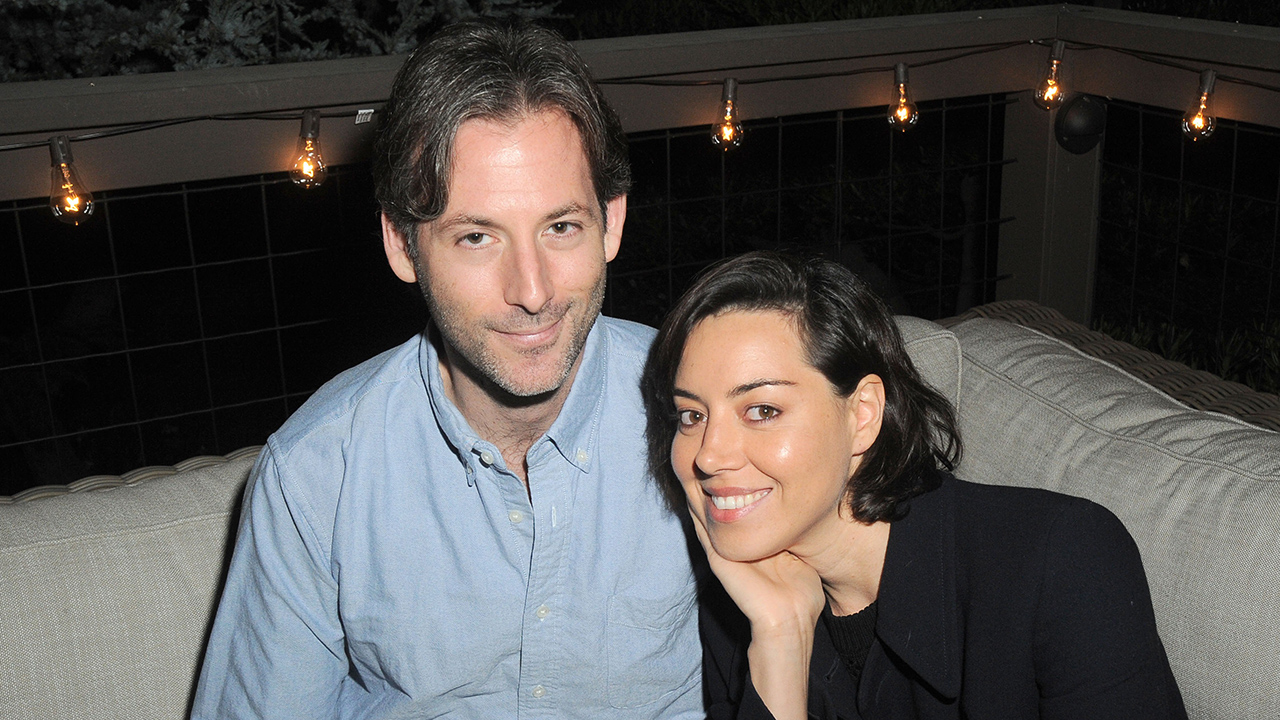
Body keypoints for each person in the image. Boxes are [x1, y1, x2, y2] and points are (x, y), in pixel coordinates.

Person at [191, 19, 702, 719]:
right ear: (403, 246)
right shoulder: (317, 475)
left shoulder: (706, 411)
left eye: (561, 227)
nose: (533, 290)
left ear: (611, 222)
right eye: (476, 237)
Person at [640, 251, 1187, 720]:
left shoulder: (1063, 560)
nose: (708, 455)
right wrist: (781, 642)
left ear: (863, 414)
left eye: (761, 410)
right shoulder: (740, 601)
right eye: (691, 416)